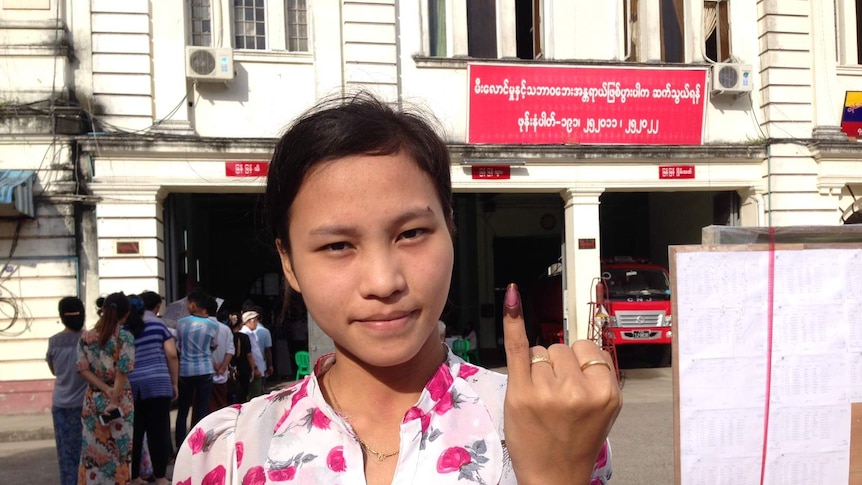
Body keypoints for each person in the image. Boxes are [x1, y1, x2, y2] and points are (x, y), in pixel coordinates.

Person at [174, 94, 621, 484]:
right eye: (337, 245)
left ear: (451, 228)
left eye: (411, 234)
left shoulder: (552, 425)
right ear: (288, 262)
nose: (384, 282)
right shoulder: (222, 450)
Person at [76, 291, 136, 485]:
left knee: (92, 452)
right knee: (119, 454)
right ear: (126, 315)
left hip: (93, 400)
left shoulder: (86, 337)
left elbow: (82, 369)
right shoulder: (125, 337)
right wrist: (113, 398)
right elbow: (122, 371)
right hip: (120, 404)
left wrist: (103, 388)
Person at [126, 292, 178, 485]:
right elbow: (171, 354)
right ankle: (160, 476)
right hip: (158, 384)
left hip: (132, 386)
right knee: (159, 432)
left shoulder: (123, 329)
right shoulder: (158, 325)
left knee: (135, 434)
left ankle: (135, 477)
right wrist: (174, 382)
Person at [46, 296, 88, 485]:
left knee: (65, 453)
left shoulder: (54, 342)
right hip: (86, 405)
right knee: (87, 452)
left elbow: (54, 370)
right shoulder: (89, 339)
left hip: (61, 404)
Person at [174, 290, 219, 449]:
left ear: (193, 305)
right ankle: (199, 444)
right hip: (205, 370)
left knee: (183, 410)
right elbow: (213, 345)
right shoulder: (213, 325)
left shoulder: (181, 323)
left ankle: (180, 445)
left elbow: (179, 345)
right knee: (201, 409)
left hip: (186, 371)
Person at [206, 296, 235, 413]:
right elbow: (230, 350)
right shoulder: (225, 329)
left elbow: (203, 350)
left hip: (205, 373)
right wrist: (222, 367)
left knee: (205, 408)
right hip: (222, 374)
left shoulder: (199, 326)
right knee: (221, 406)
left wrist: (214, 366)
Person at [228, 311, 255, 404]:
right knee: (243, 393)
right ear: (240, 325)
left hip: (230, 367)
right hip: (244, 367)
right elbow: (249, 355)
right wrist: (254, 368)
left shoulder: (228, 336)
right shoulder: (244, 337)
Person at [239, 310, 266, 398]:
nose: (257, 323)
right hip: (253, 370)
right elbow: (249, 354)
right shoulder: (244, 334)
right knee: (254, 395)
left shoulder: (251, 333)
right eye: (255, 320)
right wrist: (255, 368)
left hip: (257, 368)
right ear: (250, 321)